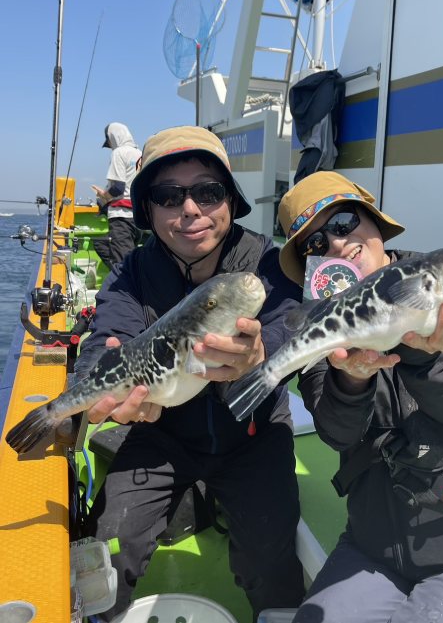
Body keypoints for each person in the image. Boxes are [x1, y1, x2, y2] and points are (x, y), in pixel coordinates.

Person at [276, 171, 443, 623]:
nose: (336, 243)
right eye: (314, 244)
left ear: (374, 222)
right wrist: (351, 380)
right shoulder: (325, 323)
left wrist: (422, 354)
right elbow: (337, 433)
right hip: (373, 550)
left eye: (343, 222)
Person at [75, 126, 305, 622]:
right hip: (161, 433)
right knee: (106, 545)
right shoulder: (132, 273)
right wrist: (98, 385)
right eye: (168, 196)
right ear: (148, 210)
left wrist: (259, 354)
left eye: (208, 191)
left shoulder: (269, 263)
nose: (190, 209)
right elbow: (105, 339)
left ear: (230, 200)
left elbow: (290, 325)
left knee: (270, 560)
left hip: (254, 434)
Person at [92, 121, 142, 270]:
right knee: (100, 243)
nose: (111, 147)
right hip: (137, 217)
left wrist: (103, 196)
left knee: (122, 263)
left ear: (113, 137)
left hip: (122, 217)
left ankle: (123, 278)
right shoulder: (141, 154)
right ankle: (123, 274)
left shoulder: (119, 153)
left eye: (109, 143)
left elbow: (118, 188)